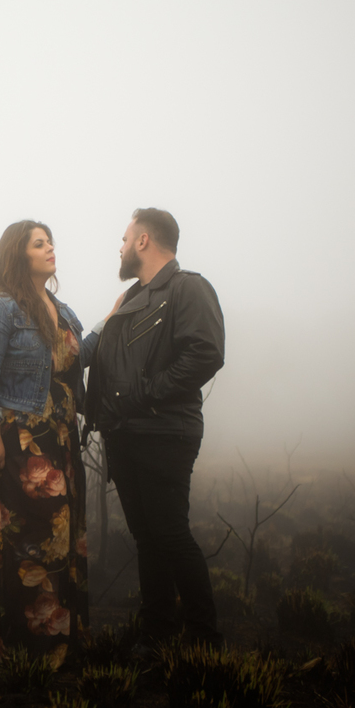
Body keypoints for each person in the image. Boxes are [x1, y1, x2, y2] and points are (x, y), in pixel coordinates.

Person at [84, 207, 225, 652]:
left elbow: (205, 353)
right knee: (147, 537)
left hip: (165, 432)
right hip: (125, 435)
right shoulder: (129, 299)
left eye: (125, 239)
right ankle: (157, 631)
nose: (121, 247)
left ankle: (204, 639)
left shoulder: (188, 288)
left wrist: (146, 394)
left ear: (144, 241)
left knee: (170, 534)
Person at [0, 220, 98, 664]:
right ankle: (17, 644)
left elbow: (78, 354)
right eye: (39, 243)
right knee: (25, 539)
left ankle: (54, 642)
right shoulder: (0, 310)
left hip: (60, 440)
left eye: (50, 240)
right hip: (21, 440)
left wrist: (117, 315)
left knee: (59, 535)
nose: (50, 248)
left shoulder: (62, 309)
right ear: (19, 255)